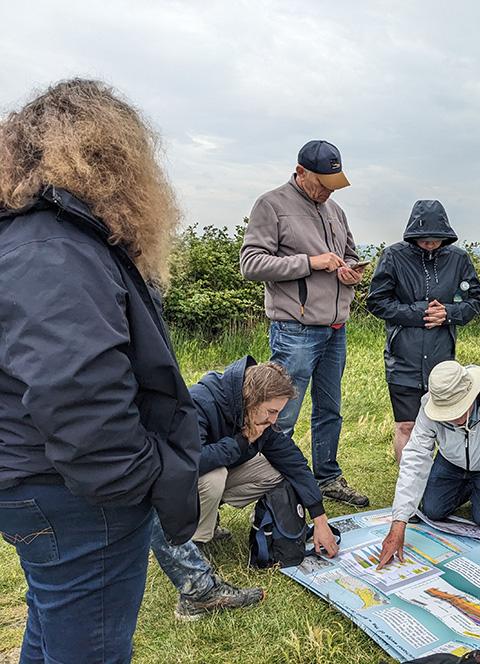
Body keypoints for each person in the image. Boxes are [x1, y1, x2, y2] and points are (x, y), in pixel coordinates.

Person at [0, 79, 202, 663]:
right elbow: (76, 391)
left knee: (51, 624)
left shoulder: (30, 237)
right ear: (110, 159)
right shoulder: (53, 248)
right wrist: (136, 479)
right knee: (89, 647)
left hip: (38, 477)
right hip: (78, 493)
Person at [240, 139, 368, 507]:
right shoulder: (271, 205)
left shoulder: (335, 211)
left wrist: (350, 272)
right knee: (282, 412)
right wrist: (310, 263)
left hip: (335, 328)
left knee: (330, 408)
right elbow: (251, 263)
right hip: (294, 330)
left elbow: (349, 256)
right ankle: (275, 485)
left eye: (334, 185)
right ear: (300, 172)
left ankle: (327, 477)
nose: (328, 192)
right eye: (322, 184)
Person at [366, 199, 480, 461]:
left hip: (442, 358)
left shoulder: (459, 259)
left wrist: (449, 314)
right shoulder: (393, 256)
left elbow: (475, 301)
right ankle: (409, 487)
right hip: (402, 358)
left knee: (444, 423)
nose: (430, 244)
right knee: (406, 425)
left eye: (436, 239)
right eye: (424, 239)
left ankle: (440, 484)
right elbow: (376, 301)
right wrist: (419, 313)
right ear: (413, 235)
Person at [191, 357, 339, 560]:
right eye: (271, 411)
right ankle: (193, 546)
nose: (274, 420)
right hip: (181, 482)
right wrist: (242, 441)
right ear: (251, 399)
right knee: (215, 477)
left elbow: (294, 463)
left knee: (276, 469)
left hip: (214, 474)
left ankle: (214, 516)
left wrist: (320, 519)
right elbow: (190, 461)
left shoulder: (255, 414)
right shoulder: (200, 400)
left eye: (278, 412)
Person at [377, 361, 480, 568]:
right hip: (450, 462)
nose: (452, 419)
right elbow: (415, 459)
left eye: (456, 410)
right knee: (432, 509)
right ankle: (467, 489)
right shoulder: (428, 404)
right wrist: (399, 524)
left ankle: (479, 491)